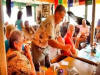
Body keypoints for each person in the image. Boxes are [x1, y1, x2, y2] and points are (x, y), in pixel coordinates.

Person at [31, 5, 71, 69]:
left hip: (45, 46)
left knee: (47, 65)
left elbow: (59, 37)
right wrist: (63, 47)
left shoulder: (57, 23)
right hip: (37, 47)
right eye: (61, 17)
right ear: (57, 14)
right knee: (40, 68)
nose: (62, 20)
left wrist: (66, 47)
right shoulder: (50, 21)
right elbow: (51, 42)